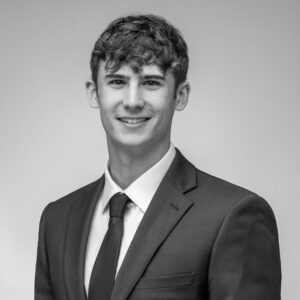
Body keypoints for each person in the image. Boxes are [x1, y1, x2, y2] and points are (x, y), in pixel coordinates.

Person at [35, 14, 281, 300]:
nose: (132, 100)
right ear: (94, 93)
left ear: (180, 95)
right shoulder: (57, 219)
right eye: (117, 81)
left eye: (151, 83)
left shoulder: (233, 215)